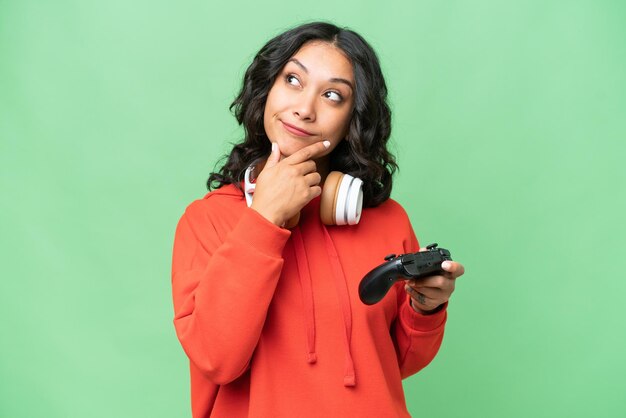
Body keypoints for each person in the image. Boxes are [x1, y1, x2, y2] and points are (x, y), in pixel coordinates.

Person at [171, 21, 465, 418]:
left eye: (332, 95)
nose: (304, 109)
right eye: (292, 80)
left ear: (352, 120)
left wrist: (425, 310)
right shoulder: (208, 220)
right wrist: (265, 220)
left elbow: (394, 365)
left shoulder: (388, 221)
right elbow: (216, 359)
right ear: (267, 89)